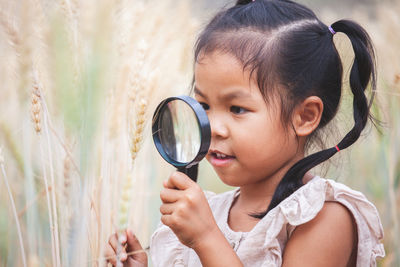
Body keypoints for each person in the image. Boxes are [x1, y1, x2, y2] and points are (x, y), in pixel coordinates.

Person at [105, 0, 386, 266]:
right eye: (203, 105)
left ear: (304, 116)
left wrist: (206, 239)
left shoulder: (323, 217)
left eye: (237, 109)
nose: (213, 126)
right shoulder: (212, 212)